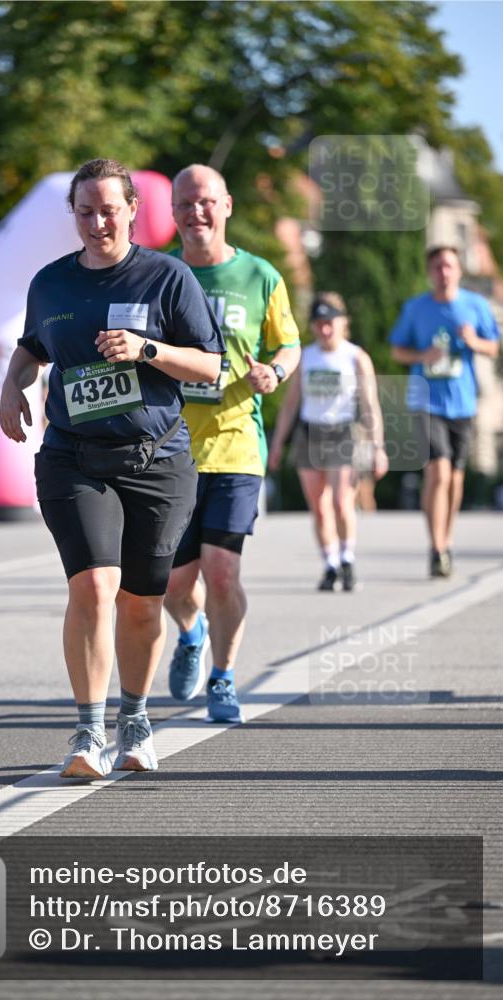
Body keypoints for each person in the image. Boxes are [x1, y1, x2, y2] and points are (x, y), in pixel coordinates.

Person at [0, 158, 224, 780]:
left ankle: (136, 717)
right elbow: (32, 348)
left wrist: (147, 349)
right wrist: (11, 387)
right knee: (93, 586)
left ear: (132, 210)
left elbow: (211, 368)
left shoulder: (168, 277)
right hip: (74, 457)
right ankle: (87, 729)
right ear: (73, 215)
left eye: (108, 209)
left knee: (142, 602)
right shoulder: (50, 284)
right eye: (85, 211)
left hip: (157, 461)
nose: (98, 221)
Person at [163, 164, 301, 723]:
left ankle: (223, 676)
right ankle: (191, 632)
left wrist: (275, 372)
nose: (196, 212)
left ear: (227, 206)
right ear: (172, 213)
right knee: (172, 586)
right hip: (170, 449)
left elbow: (287, 345)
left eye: (206, 202)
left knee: (222, 570)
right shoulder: (158, 274)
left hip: (237, 446)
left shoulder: (260, 275)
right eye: (184, 204)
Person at [390, 246, 500, 577]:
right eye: (437, 267)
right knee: (437, 471)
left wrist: (473, 341)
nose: (444, 272)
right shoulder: (416, 308)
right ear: (430, 272)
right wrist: (422, 356)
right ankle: (436, 546)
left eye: (449, 266)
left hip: (462, 402)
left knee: (454, 477)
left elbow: (494, 347)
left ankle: (447, 539)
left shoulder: (475, 306)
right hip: (425, 401)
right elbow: (397, 350)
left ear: (459, 271)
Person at [269, 293, 389, 591]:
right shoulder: (306, 357)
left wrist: (378, 447)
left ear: (342, 323)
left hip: (343, 431)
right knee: (319, 507)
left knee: (340, 501)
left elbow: (371, 404)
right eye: (319, 324)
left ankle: (347, 558)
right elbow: (290, 404)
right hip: (311, 432)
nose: (325, 330)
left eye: (330, 323)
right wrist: (277, 444)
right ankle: (330, 563)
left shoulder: (355, 357)